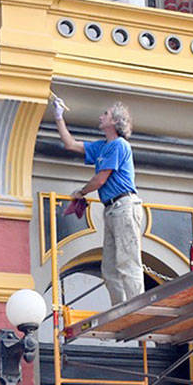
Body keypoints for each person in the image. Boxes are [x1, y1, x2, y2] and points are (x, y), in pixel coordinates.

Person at [51, 96, 145, 305]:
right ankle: (119, 309)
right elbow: (70, 144)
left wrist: (81, 192)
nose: (101, 117)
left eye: (106, 114)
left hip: (124, 206)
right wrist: (58, 117)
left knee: (127, 262)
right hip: (112, 209)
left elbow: (101, 179)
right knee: (110, 267)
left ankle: (137, 307)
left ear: (115, 122)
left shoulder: (119, 145)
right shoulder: (103, 146)